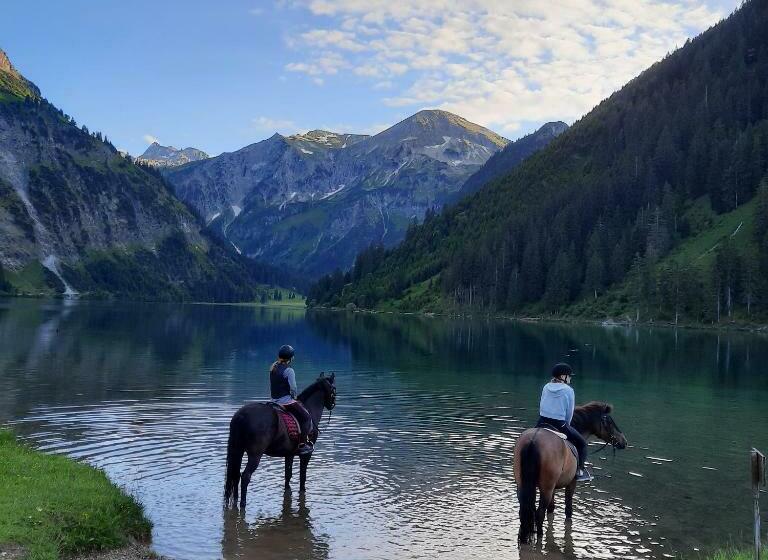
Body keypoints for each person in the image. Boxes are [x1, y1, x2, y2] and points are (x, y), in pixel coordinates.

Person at [537, 363, 592, 482]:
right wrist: (566, 424)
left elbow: (541, 404)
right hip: (559, 424)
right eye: (569, 376)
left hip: (541, 421)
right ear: (563, 376)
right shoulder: (568, 390)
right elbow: (569, 412)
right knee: (582, 444)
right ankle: (579, 472)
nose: (570, 378)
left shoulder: (546, 386)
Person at [270, 345, 314, 455]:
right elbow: (293, 387)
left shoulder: (273, 367)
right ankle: (302, 444)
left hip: (273, 400)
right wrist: (294, 397)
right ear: (291, 358)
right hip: (285, 401)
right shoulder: (289, 370)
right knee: (306, 417)